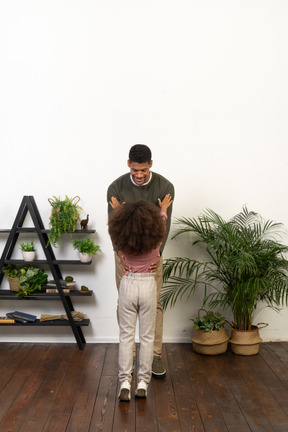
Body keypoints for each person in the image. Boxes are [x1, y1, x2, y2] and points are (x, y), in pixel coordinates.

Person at [107, 144, 175, 378]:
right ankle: (132, 355)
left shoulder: (165, 187)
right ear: (128, 164)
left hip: (152, 257)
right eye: (135, 170)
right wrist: (119, 255)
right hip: (123, 256)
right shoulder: (115, 188)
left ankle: (155, 355)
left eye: (143, 170)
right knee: (124, 303)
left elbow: (163, 227)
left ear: (151, 165)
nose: (138, 175)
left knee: (154, 305)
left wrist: (157, 256)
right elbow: (114, 227)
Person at [108, 195, 173, 400]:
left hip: (128, 284)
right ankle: (143, 383)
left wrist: (118, 210)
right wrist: (162, 208)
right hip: (148, 285)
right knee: (147, 337)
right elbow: (162, 220)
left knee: (126, 336)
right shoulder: (156, 243)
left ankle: (125, 382)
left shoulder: (122, 243)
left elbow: (115, 231)